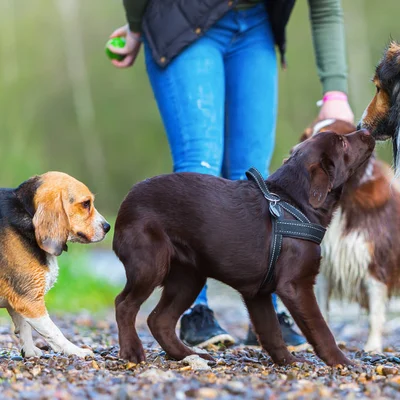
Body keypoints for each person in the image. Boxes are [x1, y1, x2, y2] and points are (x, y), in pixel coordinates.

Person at [108, 0, 354, 350]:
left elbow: (326, 6)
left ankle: (265, 312)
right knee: (200, 161)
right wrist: (135, 27)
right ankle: (194, 311)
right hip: (183, 16)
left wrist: (335, 92)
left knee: (255, 176)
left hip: (255, 23)